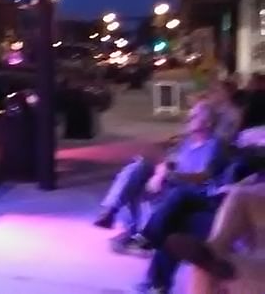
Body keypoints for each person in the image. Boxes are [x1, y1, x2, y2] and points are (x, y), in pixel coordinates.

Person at [93, 105, 224, 245]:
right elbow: (169, 162)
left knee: (148, 182)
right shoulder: (186, 143)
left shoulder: (214, 145)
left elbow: (204, 176)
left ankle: (138, 234)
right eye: (190, 115)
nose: (189, 118)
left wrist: (173, 176)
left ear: (208, 122)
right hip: (174, 180)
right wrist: (160, 173)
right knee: (139, 166)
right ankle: (111, 211)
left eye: (195, 116)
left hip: (191, 189)